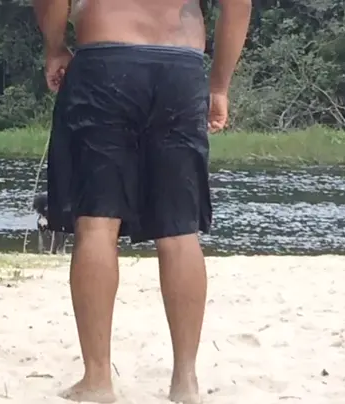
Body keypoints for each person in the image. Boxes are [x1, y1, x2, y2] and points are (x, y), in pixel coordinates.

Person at [31, 0, 252, 402]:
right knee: (180, 230)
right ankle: (185, 380)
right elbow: (238, 5)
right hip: (180, 66)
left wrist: (55, 47)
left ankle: (98, 378)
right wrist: (219, 85)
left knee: (97, 223)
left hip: (105, 60)